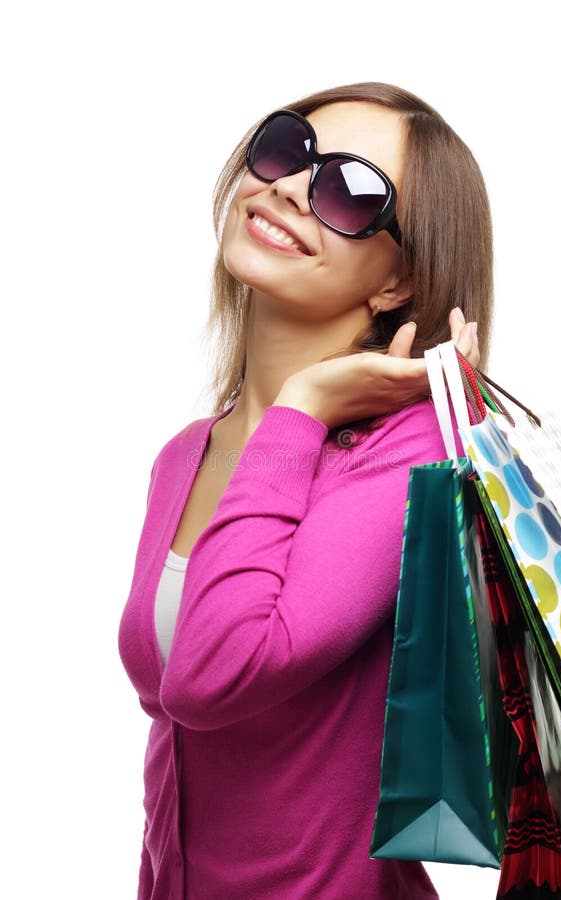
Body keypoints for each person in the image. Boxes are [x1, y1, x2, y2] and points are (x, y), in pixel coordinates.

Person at [118, 80, 493, 899]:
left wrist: (303, 406)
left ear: (398, 283)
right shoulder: (187, 454)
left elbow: (217, 672)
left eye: (350, 191)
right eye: (289, 149)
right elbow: (174, 753)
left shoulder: (416, 453)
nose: (289, 186)